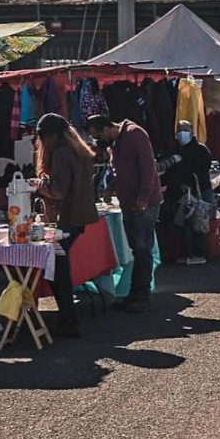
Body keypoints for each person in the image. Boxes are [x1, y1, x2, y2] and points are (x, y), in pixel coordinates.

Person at [87, 115, 162, 313]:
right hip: (129, 203)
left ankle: (143, 296)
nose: (99, 141)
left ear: (105, 128)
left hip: (144, 203)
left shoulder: (135, 134)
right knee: (136, 250)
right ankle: (134, 293)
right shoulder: (117, 142)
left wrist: (143, 198)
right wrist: (112, 187)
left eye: (98, 136)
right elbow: (121, 171)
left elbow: (148, 169)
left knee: (142, 249)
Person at [33, 113, 98, 338]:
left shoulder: (60, 153)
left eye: (41, 137)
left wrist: (40, 187)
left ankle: (68, 321)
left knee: (58, 270)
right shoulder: (79, 150)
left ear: (50, 135)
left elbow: (59, 191)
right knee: (60, 267)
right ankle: (67, 319)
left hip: (66, 220)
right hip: (79, 217)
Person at [158, 121, 213, 264]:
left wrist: (188, 182)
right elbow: (167, 173)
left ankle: (199, 254)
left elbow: (202, 171)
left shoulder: (201, 150)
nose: (182, 133)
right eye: (180, 130)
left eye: (185, 130)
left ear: (192, 132)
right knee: (182, 226)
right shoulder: (172, 151)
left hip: (198, 192)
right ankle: (186, 254)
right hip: (178, 195)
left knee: (198, 225)